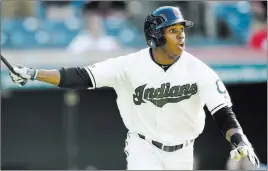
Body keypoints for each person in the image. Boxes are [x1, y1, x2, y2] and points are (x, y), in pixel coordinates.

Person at [8, 6, 260, 170]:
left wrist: (239, 141)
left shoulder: (199, 70)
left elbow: (223, 113)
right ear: (156, 37)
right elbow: (80, 76)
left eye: (181, 30)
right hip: (144, 147)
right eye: (173, 31)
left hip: (183, 151)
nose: (181, 36)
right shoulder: (129, 65)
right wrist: (33, 74)